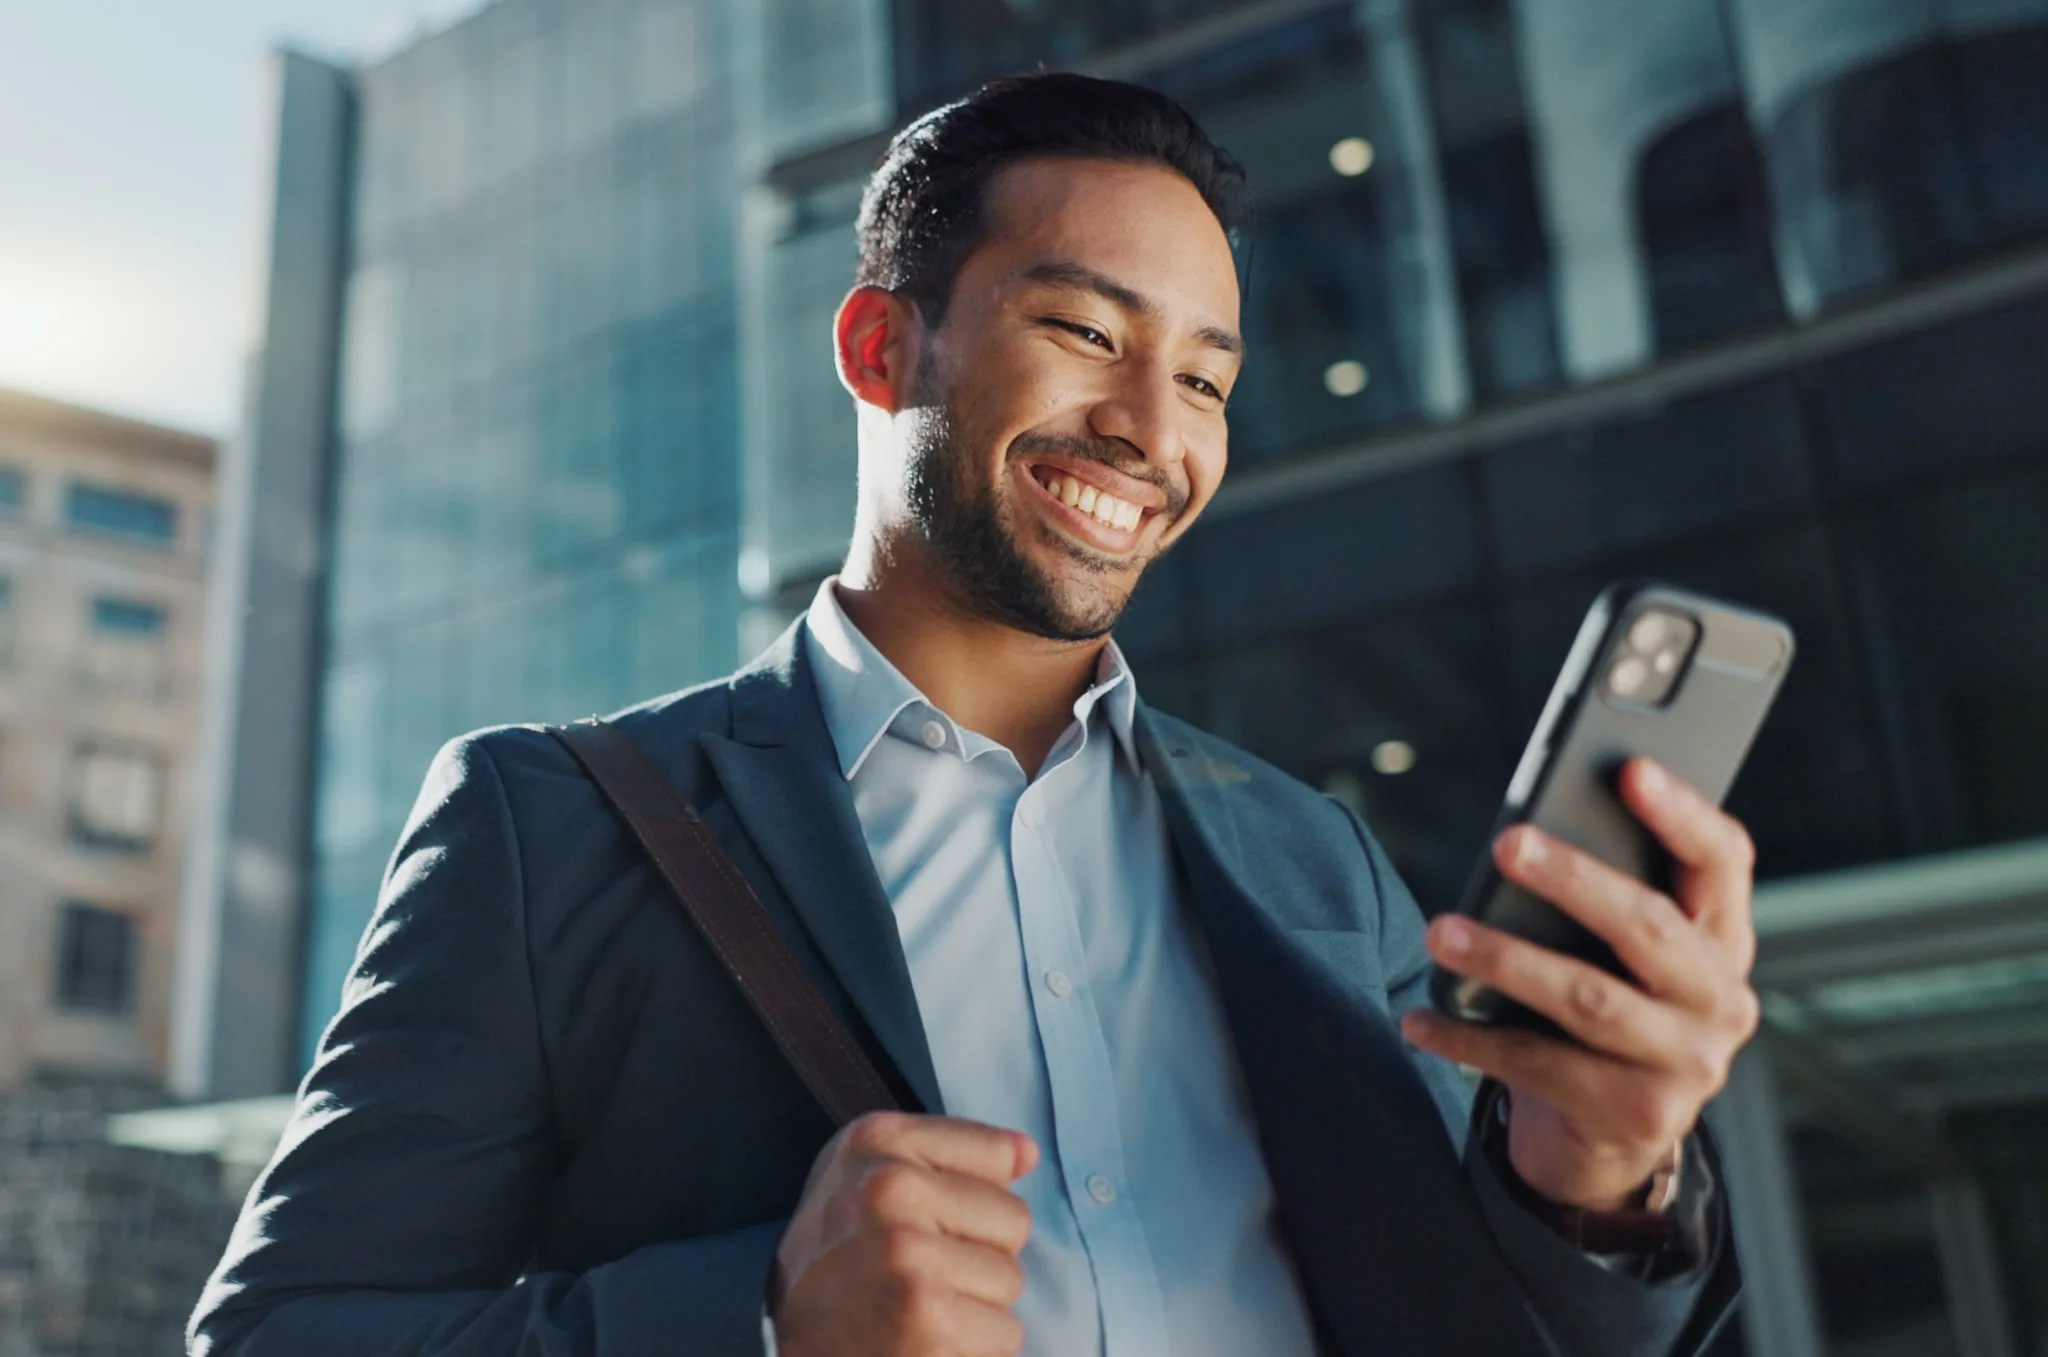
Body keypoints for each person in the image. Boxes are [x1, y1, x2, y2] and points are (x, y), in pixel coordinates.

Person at [190, 73, 1756, 1357]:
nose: (1152, 433)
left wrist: (1602, 1188)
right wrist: (757, 1322)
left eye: (1206, 381)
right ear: (884, 346)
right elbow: (278, 1338)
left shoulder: (1311, 860)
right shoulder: (551, 825)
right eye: (1084, 332)